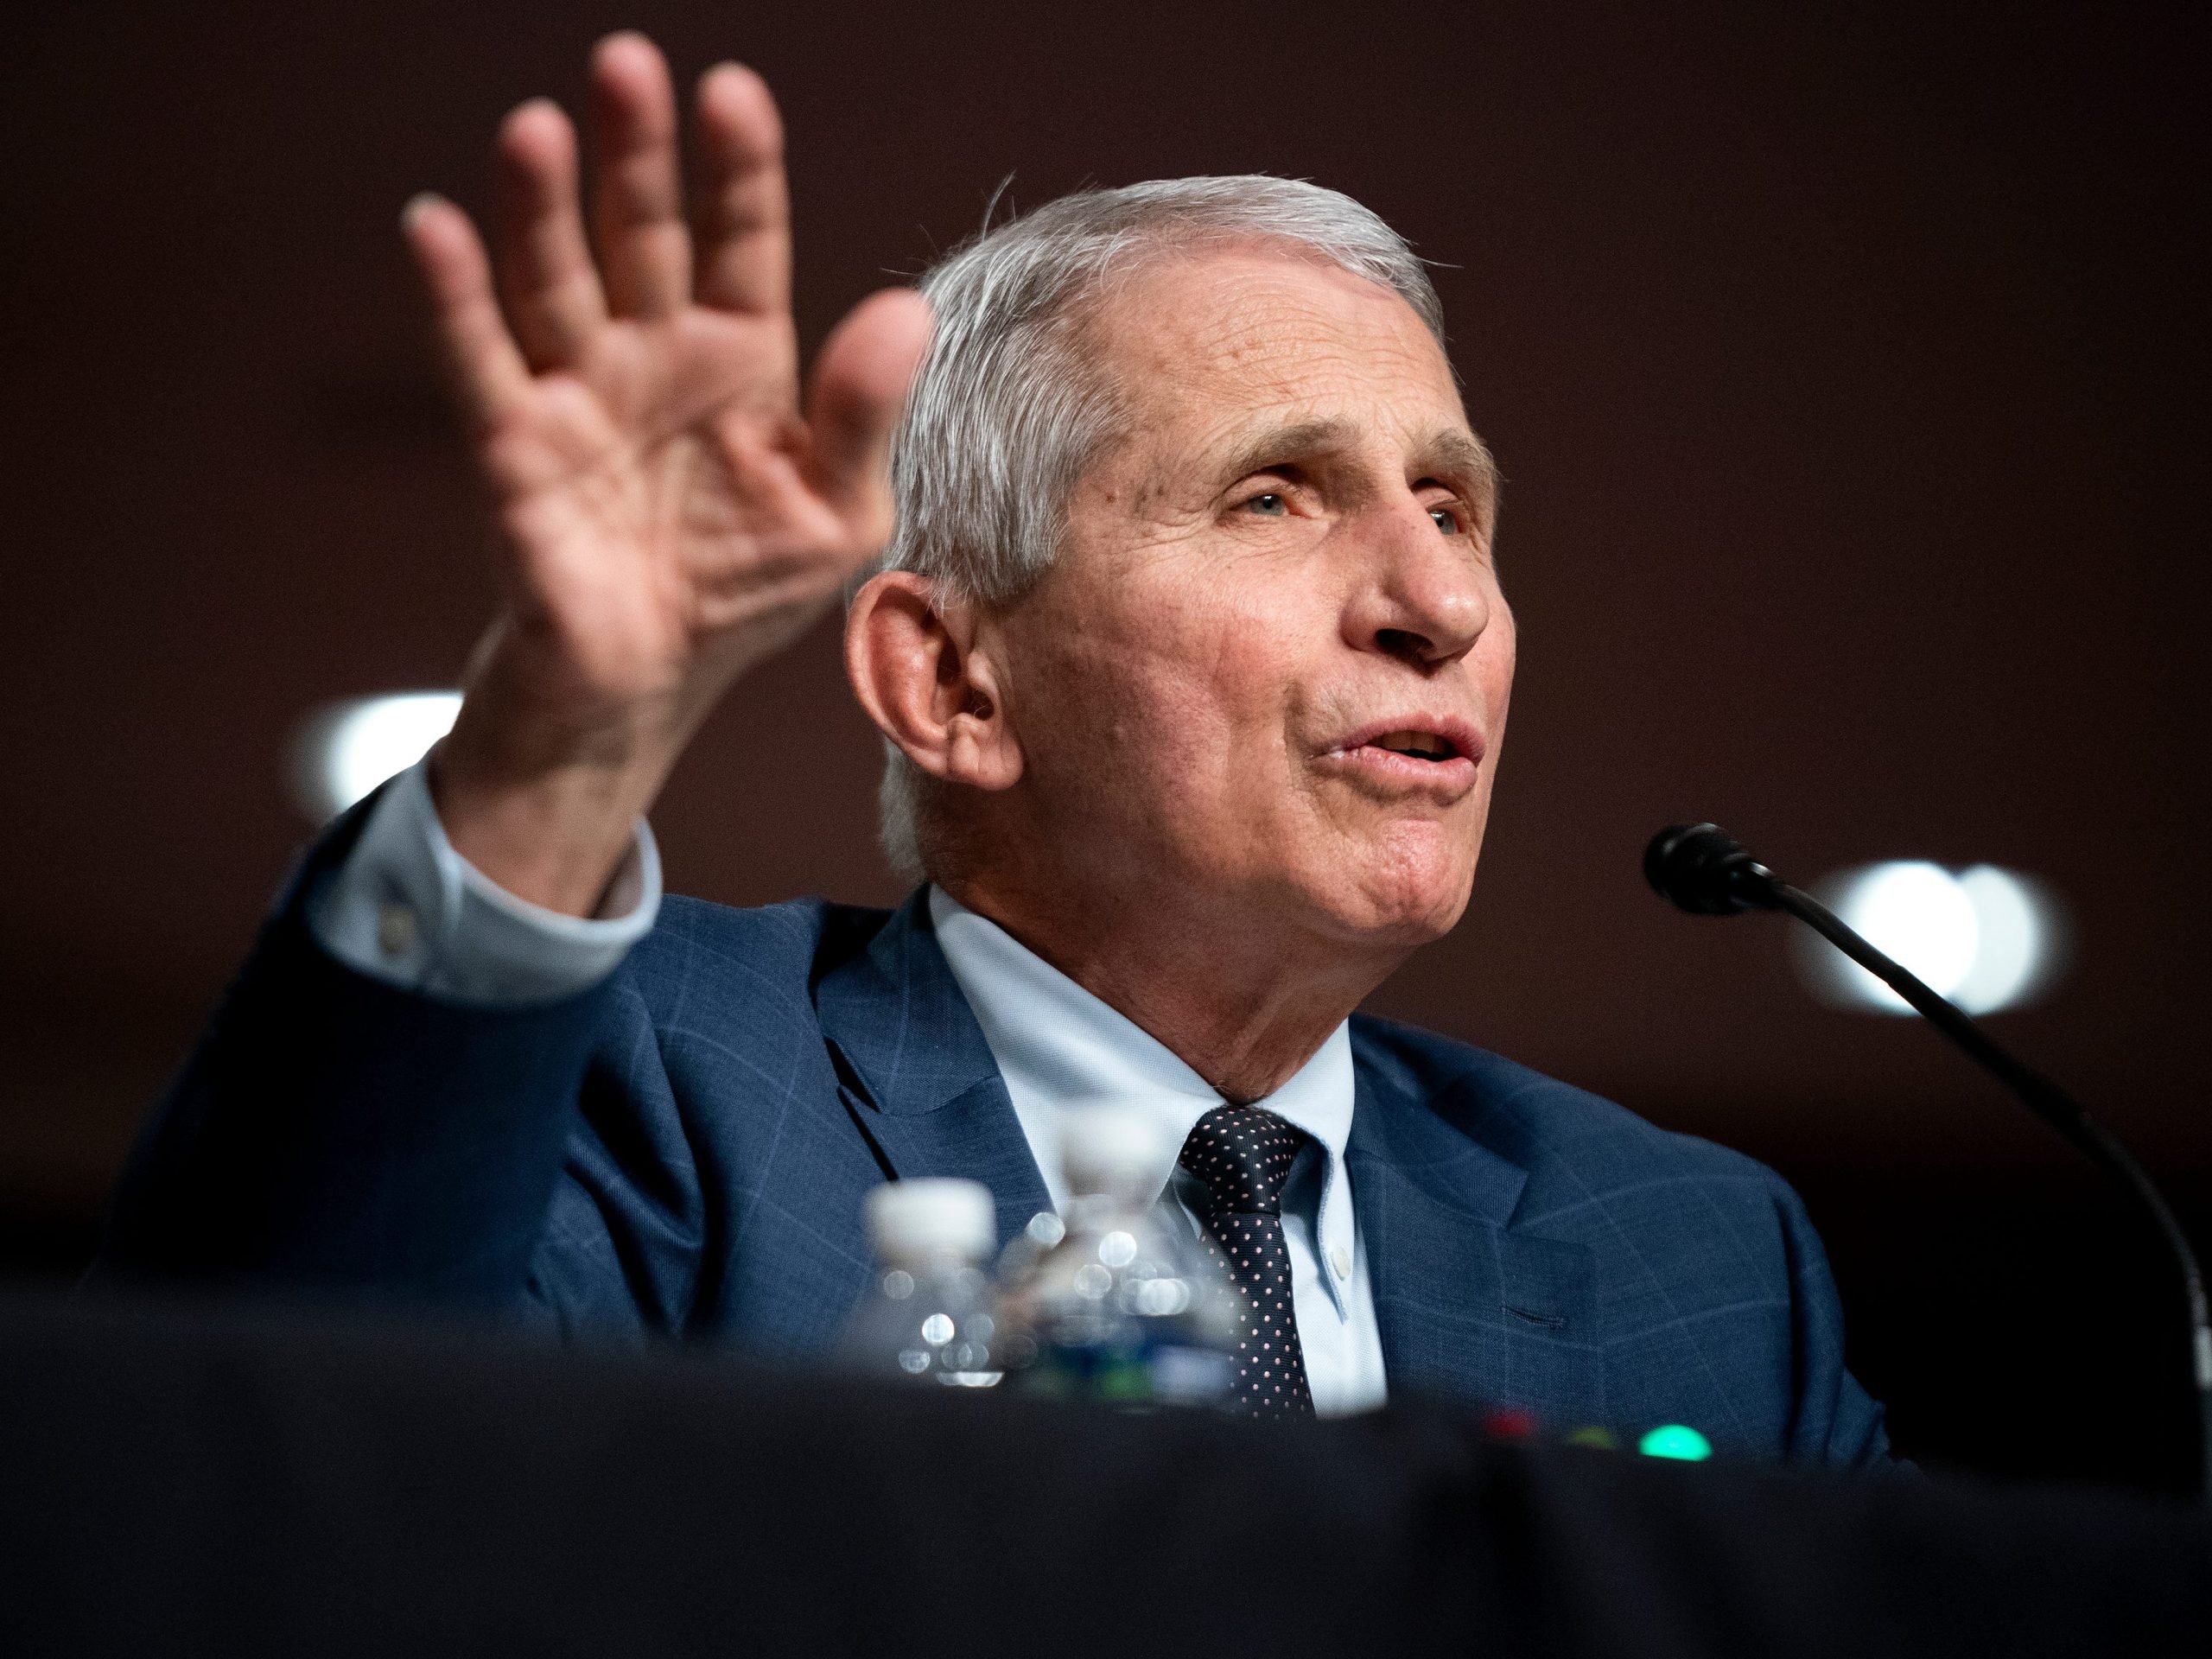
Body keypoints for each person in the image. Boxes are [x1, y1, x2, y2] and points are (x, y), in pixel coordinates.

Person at [99, 32, 1886, 1455]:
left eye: (1454, 504)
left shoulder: (1698, 1257)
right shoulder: (660, 1086)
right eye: (1273, 498)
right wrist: (563, 743)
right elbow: (249, 1447)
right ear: (953, 683)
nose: (1439, 601)